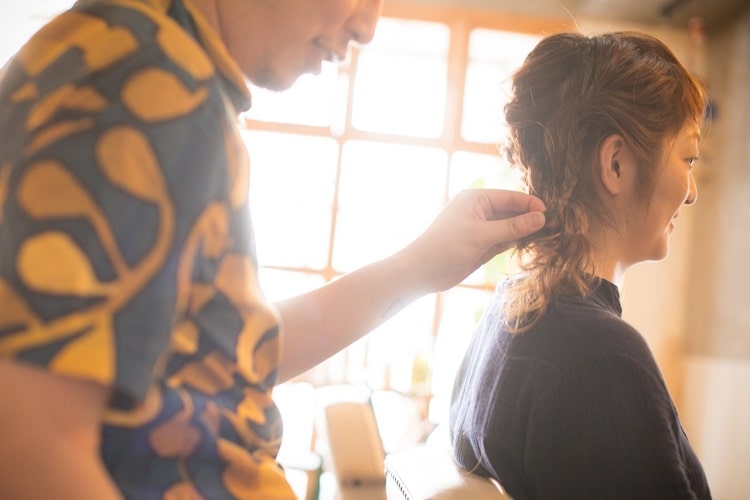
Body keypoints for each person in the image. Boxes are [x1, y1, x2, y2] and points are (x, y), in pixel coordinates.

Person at [0, 0, 547, 498]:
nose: (366, 26)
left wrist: (418, 267)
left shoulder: (155, 69)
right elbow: (28, 437)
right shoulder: (141, 80)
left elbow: (230, 355)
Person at [449, 31, 711, 499]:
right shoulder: (601, 359)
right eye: (688, 158)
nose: (691, 192)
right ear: (616, 164)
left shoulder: (508, 316)